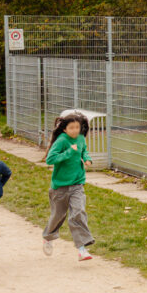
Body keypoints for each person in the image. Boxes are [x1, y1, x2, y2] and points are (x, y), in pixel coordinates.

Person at [42, 112, 96, 261]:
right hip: (60, 187)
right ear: (65, 129)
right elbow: (50, 159)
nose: (75, 130)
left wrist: (87, 158)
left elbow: (84, 150)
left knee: (78, 213)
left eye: (77, 127)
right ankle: (48, 237)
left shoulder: (80, 139)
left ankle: (82, 249)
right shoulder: (61, 141)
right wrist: (68, 152)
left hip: (77, 184)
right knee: (57, 216)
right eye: (71, 128)